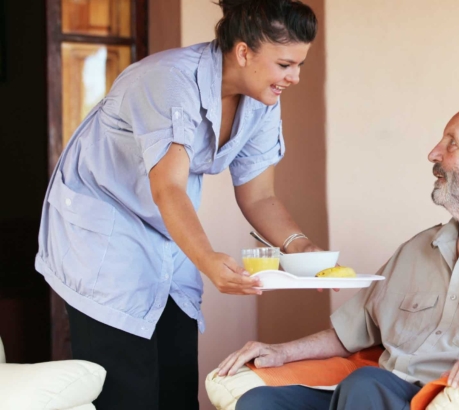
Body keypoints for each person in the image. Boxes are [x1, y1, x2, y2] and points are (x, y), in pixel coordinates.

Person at [220, 102, 459, 410]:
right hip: (374, 395)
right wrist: (279, 350)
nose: (433, 154)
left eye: (451, 144)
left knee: (364, 385)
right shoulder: (415, 250)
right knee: (260, 402)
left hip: (435, 397)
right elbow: (351, 332)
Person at [34, 1, 321, 408]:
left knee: (177, 382)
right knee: (125, 389)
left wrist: (301, 247)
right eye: (285, 65)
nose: (293, 78)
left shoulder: (262, 99)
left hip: (167, 231)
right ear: (243, 52)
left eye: (299, 66)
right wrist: (208, 260)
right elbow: (167, 187)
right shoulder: (168, 82)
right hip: (105, 234)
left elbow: (259, 195)